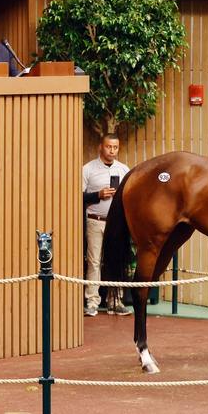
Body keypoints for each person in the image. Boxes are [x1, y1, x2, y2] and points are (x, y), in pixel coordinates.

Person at [82, 133, 131, 317]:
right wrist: (98, 195)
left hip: (117, 223)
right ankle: (92, 302)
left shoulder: (124, 169)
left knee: (115, 262)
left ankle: (115, 302)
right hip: (95, 221)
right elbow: (78, 196)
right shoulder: (88, 169)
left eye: (115, 147)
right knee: (94, 262)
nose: (112, 151)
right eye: (109, 147)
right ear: (100, 147)